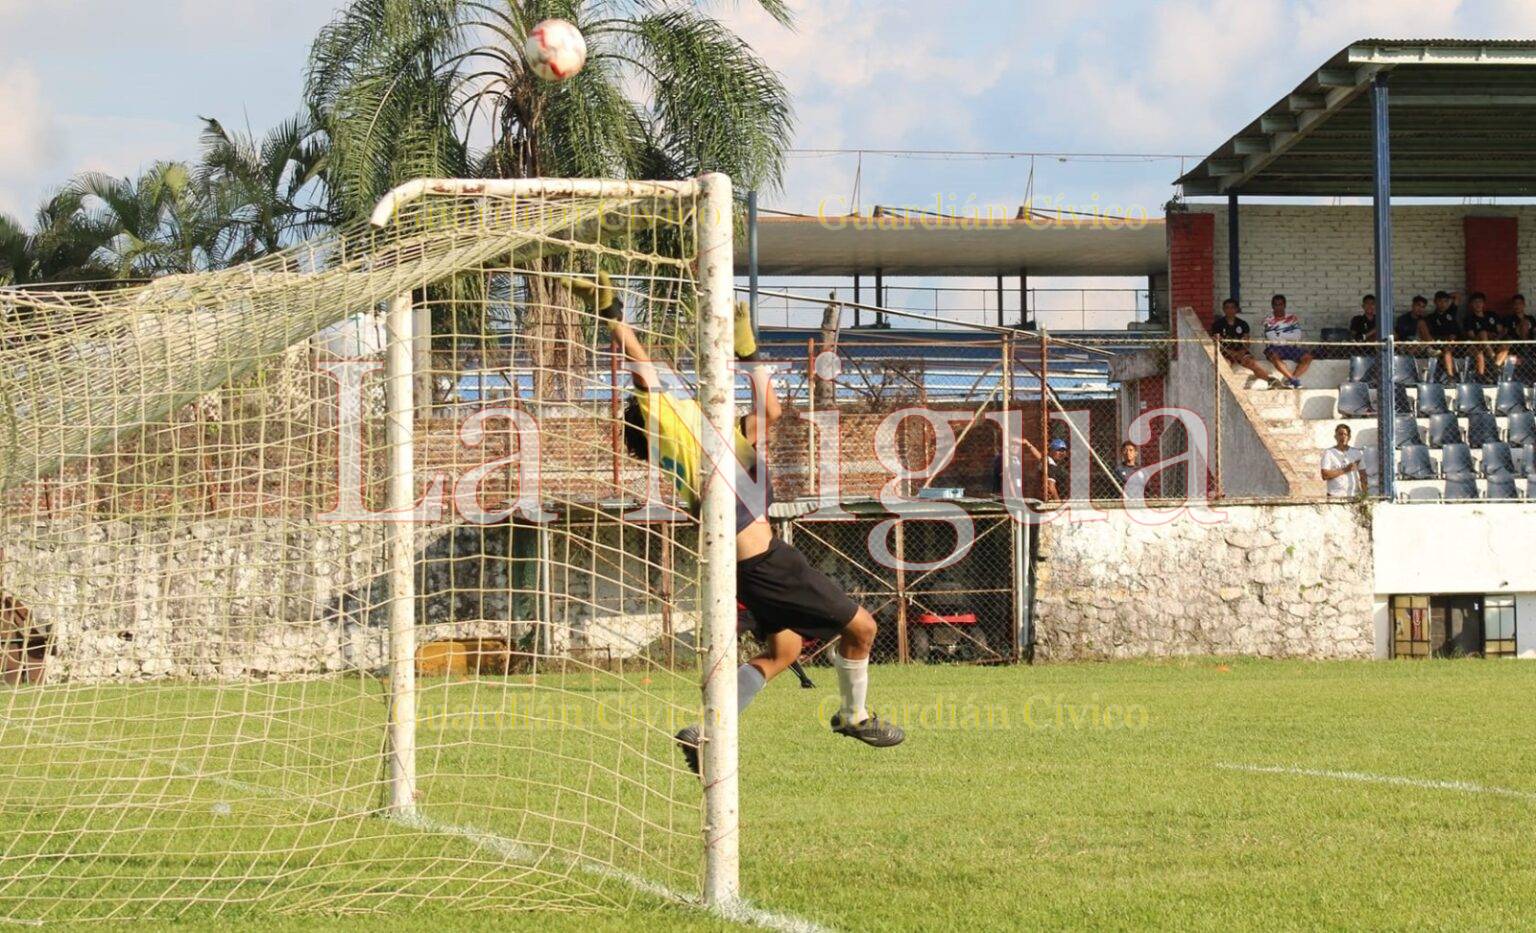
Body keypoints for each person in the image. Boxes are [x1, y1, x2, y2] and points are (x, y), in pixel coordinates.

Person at [567, 272, 904, 773]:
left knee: (785, 649)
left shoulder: (717, 430)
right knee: (863, 627)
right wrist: (613, 314)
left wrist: (750, 354)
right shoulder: (674, 430)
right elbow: (642, 368)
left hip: (751, 566)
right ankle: (853, 716)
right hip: (767, 564)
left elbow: (769, 411)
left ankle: (709, 731)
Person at [1210, 298, 1276, 384]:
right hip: (1224, 352)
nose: (1230, 310)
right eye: (1227, 307)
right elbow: (1216, 342)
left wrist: (1241, 351)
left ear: (1236, 309)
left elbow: (1247, 342)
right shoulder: (1217, 324)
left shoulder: (1243, 324)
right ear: (1223, 309)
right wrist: (1230, 352)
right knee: (1225, 364)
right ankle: (1226, 387)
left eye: (1232, 307)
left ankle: (1270, 381)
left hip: (1241, 352)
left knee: (1252, 363)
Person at [1262, 294, 1313, 388]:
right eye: (1276, 305)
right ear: (1272, 306)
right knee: (1274, 357)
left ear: (1284, 305)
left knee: (1308, 357)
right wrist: (1288, 334)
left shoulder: (1292, 318)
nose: (1278, 307)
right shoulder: (1268, 320)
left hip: (1290, 347)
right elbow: (1272, 338)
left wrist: (1279, 334)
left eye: (1280, 304)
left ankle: (1290, 381)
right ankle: (1294, 381)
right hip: (1275, 348)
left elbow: (1297, 336)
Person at [1319, 423, 1367, 499]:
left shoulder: (1357, 453)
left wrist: (1365, 496)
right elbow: (1325, 475)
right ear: (1335, 436)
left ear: (1349, 437)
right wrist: (1346, 469)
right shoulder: (1329, 453)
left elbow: (1363, 476)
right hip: (1335, 495)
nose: (1343, 437)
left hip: (1354, 495)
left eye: (1346, 434)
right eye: (1340, 434)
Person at [1462, 292, 1500, 383]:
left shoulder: (1492, 315)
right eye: (1475, 302)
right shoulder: (1469, 319)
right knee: (1483, 333)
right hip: (1477, 344)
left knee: (1506, 347)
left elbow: (1500, 331)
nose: (1478, 304)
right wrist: (1486, 335)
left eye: (1480, 302)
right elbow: (1472, 336)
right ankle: (1490, 361)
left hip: (1494, 342)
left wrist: (1494, 336)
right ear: (1471, 304)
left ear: (1484, 303)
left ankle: (1496, 369)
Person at [1428, 290, 1462, 381]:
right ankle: (1451, 377)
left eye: (1445, 301)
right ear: (1435, 302)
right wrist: (1446, 339)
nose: (1443, 304)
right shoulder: (1431, 317)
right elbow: (1431, 336)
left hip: (1458, 344)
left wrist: (1447, 296)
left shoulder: (1451, 311)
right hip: (1443, 345)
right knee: (1447, 351)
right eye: (1440, 301)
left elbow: (1457, 295)